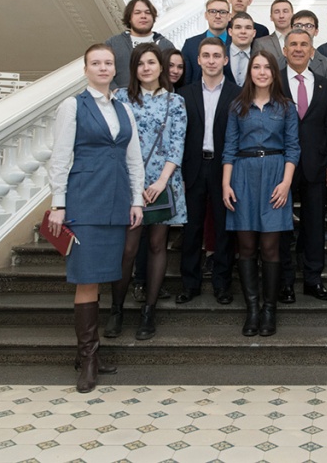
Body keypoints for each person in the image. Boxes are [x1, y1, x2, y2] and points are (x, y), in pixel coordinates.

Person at [48, 44, 144, 393]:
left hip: (117, 199)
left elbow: (134, 159)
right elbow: (60, 156)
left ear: (114, 68)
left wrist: (136, 201)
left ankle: (90, 354)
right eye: (96, 63)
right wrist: (58, 204)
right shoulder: (72, 105)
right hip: (84, 200)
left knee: (105, 276)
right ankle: (88, 357)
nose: (103, 68)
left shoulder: (124, 108)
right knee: (87, 279)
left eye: (108, 63)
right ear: (85, 68)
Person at [111, 44, 188, 341]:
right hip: (129, 184)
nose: (146, 67)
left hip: (163, 183)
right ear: (134, 68)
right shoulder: (120, 98)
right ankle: (116, 309)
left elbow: (176, 144)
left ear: (161, 66)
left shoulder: (175, 102)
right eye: (140, 63)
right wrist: (135, 184)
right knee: (128, 249)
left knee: (158, 245)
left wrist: (160, 182)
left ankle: (149, 311)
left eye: (151, 62)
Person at [223, 52, 300, 337]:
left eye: (267, 67)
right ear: (249, 72)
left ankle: (269, 310)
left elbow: (293, 148)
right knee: (245, 247)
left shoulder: (286, 107)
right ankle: (252, 310)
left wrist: (286, 183)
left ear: (274, 72)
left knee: (269, 247)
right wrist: (226, 185)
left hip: (275, 177)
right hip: (243, 176)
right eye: (256, 67)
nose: (262, 71)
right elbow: (229, 149)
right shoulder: (237, 106)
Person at [179, 38, 241, 306]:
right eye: (206, 55)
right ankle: (189, 284)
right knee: (191, 229)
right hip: (193, 167)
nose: (212, 60)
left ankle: (222, 283)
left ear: (225, 60)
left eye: (217, 55)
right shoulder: (184, 94)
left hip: (224, 168)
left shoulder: (238, 94)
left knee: (224, 229)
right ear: (199, 60)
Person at [278, 29, 327, 303]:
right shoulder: (271, 81)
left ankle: (313, 279)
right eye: (293, 45)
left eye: (304, 44)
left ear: (312, 50)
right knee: (280, 227)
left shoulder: (326, 85)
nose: (298, 49)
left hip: (316, 164)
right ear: (284, 50)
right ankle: (285, 282)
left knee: (315, 226)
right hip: (279, 166)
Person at [105, 0, 175, 90]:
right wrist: (115, 91)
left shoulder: (165, 46)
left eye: (148, 12)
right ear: (129, 18)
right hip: (121, 101)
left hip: (157, 101)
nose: (143, 16)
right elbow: (102, 71)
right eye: (137, 13)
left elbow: (173, 75)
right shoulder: (113, 43)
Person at [181, 0, 232, 85]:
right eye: (213, 11)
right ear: (206, 15)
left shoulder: (237, 44)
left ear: (229, 16)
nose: (218, 16)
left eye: (223, 12)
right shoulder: (190, 45)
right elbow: (185, 80)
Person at [289, 9, 327, 80]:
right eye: (298, 25)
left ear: (316, 31)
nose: (303, 29)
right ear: (291, 29)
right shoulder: (279, 63)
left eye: (308, 26)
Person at [252, 0, 295, 64]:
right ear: (271, 17)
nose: (281, 16)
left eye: (285, 11)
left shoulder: (303, 39)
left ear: (293, 15)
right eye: (277, 12)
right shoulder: (261, 43)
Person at [227, 12, 257, 87]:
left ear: (254, 33)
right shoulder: (219, 54)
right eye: (238, 27)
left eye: (248, 28)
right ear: (230, 32)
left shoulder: (259, 57)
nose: (243, 32)